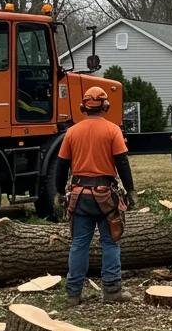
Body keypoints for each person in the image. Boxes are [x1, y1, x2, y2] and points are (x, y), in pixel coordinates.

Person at [55, 86, 136, 305]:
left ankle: (73, 293)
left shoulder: (72, 132)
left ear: (84, 107)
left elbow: (61, 166)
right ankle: (112, 291)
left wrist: (58, 192)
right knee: (110, 242)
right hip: (105, 195)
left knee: (79, 243)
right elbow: (122, 162)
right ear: (105, 106)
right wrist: (131, 191)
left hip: (79, 194)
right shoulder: (112, 130)